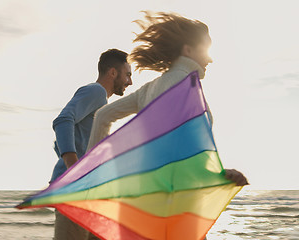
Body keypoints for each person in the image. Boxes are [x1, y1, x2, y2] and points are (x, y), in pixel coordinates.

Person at [87, 12, 248, 187]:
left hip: (145, 188)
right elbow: (190, 143)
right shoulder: (186, 85)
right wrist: (219, 174)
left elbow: (103, 115)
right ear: (187, 50)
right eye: (205, 50)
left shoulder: (149, 89)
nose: (210, 58)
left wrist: (91, 172)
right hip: (175, 193)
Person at [50, 48, 132, 240]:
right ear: (113, 72)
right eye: (127, 74)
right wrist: (74, 168)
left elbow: (64, 142)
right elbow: (62, 121)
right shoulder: (96, 92)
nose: (130, 81)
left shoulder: (102, 106)